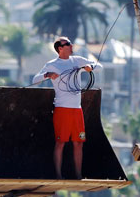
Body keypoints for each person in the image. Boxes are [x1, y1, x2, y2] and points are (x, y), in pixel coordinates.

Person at [32, 37, 100, 180]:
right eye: (67, 44)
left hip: (77, 109)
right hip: (62, 109)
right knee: (60, 142)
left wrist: (90, 68)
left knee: (78, 143)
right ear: (60, 48)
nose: (71, 46)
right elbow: (35, 80)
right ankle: (58, 175)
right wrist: (47, 75)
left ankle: (78, 175)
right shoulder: (52, 64)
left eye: (70, 43)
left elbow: (99, 66)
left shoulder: (77, 60)